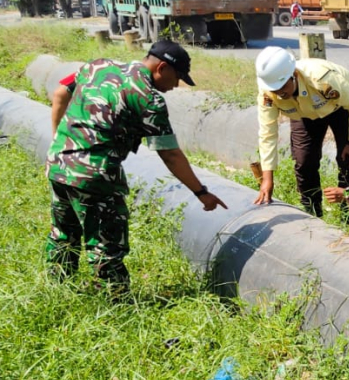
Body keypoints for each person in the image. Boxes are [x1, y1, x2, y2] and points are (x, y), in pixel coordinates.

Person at [46, 40, 228, 294]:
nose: (175, 86)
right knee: (106, 247)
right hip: (94, 177)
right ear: (162, 67)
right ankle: (113, 308)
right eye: (177, 78)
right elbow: (171, 155)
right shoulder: (149, 99)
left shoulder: (98, 66)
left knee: (63, 236)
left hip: (58, 165)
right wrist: (201, 192)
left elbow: (60, 94)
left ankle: (56, 292)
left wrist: (60, 143)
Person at [254, 47, 349, 217]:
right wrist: (267, 177)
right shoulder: (268, 93)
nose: (280, 94)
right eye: (275, 90)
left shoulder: (322, 79)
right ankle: (312, 213)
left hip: (341, 107)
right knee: (304, 161)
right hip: (303, 113)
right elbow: (267, 133)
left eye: (283, 87)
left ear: (295, 75)